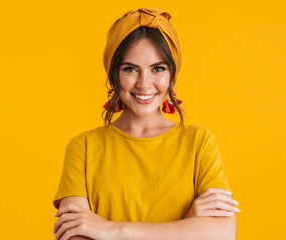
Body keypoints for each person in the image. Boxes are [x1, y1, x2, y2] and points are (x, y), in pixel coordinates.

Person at [53, 7, 239, 240]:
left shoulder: (199, 142)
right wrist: (187, 227)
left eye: (157, 69)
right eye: (130, 69)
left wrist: (112, 230)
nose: (144, 83)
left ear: (172, 75)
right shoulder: (84, 147)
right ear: (114, 75)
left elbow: (222, 234)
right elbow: (75, 236)